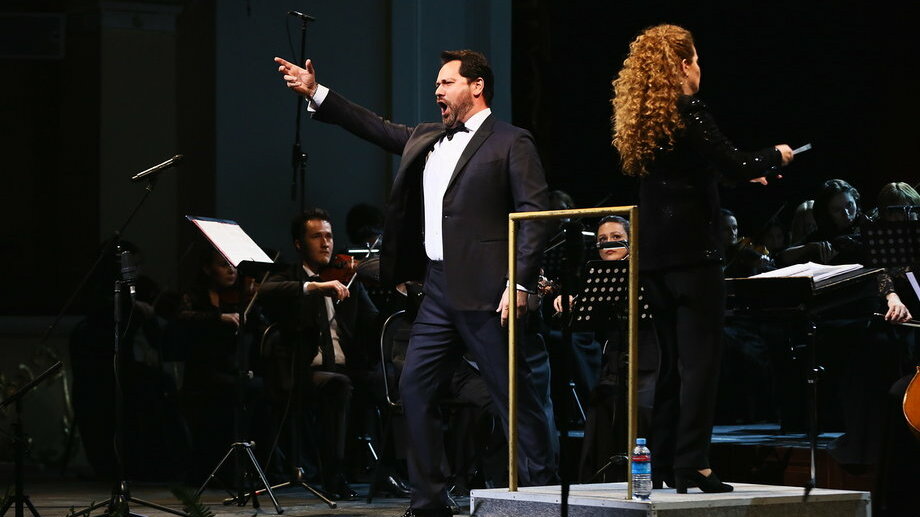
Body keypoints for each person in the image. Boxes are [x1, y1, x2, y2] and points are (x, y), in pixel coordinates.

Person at [275, 49, 557, 516]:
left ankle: (541, 497)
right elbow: (373, 126)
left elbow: (536, 216)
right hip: (438, 289)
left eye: (446, 82)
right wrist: (316, 92)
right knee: (415, 387)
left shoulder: (511, 141)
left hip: (489, 291)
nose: (436, 90)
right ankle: (430, 501)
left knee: (514, 395)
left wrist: (520, 283)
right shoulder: (426, 137)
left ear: (477, 86)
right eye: (437, 83)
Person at [610, 24, 794, 493]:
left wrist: (735, 177)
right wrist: (776, 156)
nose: (700, 67)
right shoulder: (688, 110)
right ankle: (694, 462)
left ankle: (664, 460)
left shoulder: (647, 120)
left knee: (672, 363)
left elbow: (689, 171)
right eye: (696, 58)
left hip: (655, 257)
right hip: (693, 255)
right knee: (701, 364)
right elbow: (734, 160)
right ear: (683, 64)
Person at [258, 208, 387, 501]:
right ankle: (334, 476)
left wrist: (394, 290)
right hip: (303, 371)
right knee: (338, 385)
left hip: (345, 366)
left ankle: (386, 472)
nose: (326, 243)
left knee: (388, 380)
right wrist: (314, 286)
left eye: (329, 236)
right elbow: (265, 291)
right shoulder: (290, 277)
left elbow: (374, 322)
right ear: (299, 244)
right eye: (316, 237)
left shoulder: (346, 278)